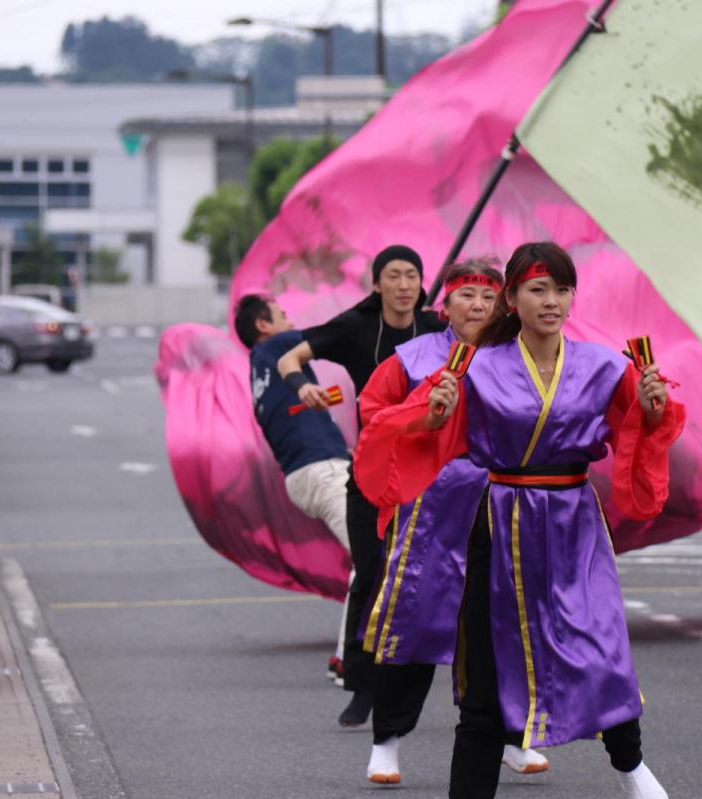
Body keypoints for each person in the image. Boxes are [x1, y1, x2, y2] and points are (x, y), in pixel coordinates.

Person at [355, 241, 684, 799]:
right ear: (514, 298)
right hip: (499, 524)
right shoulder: (475, 366)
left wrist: (654, 409)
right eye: (537, 289)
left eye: (561, 289)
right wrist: (433, 414)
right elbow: (422, 428)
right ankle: (411, 750)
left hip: (574, 525)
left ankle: (630, 765)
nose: (551, 301)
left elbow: (644, 430)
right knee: (484, 678)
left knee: (602, 650)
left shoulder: (605, 366)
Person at [356, 258, 549, 783]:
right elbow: (373, 413)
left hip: (504, 504)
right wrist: (423, 415)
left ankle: (512, 737)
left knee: (505, 625)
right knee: (412, 622)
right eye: (468, 296)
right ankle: (387, 742)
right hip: (430, 508)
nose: (479, 307)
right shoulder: (412, 357)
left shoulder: (520, 358)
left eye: (489, 299)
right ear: (445, 304)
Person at [277, 245, 446, 726]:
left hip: (429, 478)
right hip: (371, 474)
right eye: (393, 275)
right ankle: (362, 687)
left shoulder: (435, 330)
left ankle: (450, 688)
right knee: (370, 576)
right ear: (377, 285)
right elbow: (291, 358)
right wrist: (302, 387)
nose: (404, 284)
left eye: (412, 275)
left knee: (436, 582)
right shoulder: (355, 327)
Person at [234, 294, 352, 681]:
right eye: (283, 316)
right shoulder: (278, 345)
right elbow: (331, 336)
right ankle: (349, 657)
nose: (291, 322)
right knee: (375, 559)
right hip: (323, 470)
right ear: (264, 326)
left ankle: (371, 650)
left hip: (308, 473)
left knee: (382, 553)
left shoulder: (258, 368)